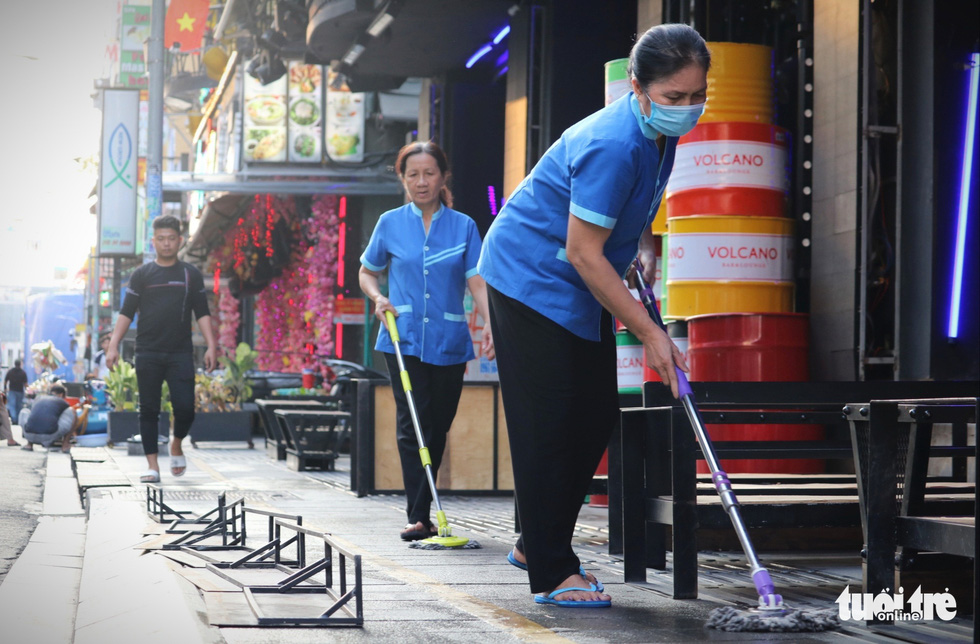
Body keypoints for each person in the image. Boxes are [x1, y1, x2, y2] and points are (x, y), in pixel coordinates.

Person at [477, 23, 709, 607]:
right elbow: (583, 252)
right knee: (549, 420)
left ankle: (538, 539)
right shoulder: (616, 142)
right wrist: (652, 333)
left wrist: (643, 246)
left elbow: (627, 213)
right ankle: (552, 570)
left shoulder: (659, 134)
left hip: (575, 277)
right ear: (637, 87)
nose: (687, 109)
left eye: (697, 96)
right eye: (674, 98)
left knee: (594, 409)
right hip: (529, 276)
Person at [359, 141, 494, 541]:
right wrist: (378, 296)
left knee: (438, 426)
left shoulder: (464, 226)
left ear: (443, 177)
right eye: (413, 174)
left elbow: (477, 282)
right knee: (412, 421)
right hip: (402, 339)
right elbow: (368, 271)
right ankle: (418, 514)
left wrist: (492, 326)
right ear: (402, 178)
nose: (421, 182)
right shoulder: (389, 222)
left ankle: (423, 508)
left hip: (450, 339)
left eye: (429, 173)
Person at [106, 215, 217, 483]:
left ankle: (177, 443)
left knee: (185, 408)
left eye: (171, 239)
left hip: (180, 352)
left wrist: (212, 345)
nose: (166, 244)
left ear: (179, 241)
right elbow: (126, 312)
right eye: (161, 239)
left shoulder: (191, 274)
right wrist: (113, 345)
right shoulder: (142, 275)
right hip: (148, 352)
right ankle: (152, 465)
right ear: (153, 241)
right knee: (149, 409)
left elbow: (202, 312)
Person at [20, 385, 83, 451]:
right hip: (49, 435)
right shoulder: (62, 402)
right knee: (71, 411)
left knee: (24, 411)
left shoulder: (39, 398)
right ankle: (65, 445)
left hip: (29, 434)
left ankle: (29, 444)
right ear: (61, 395)